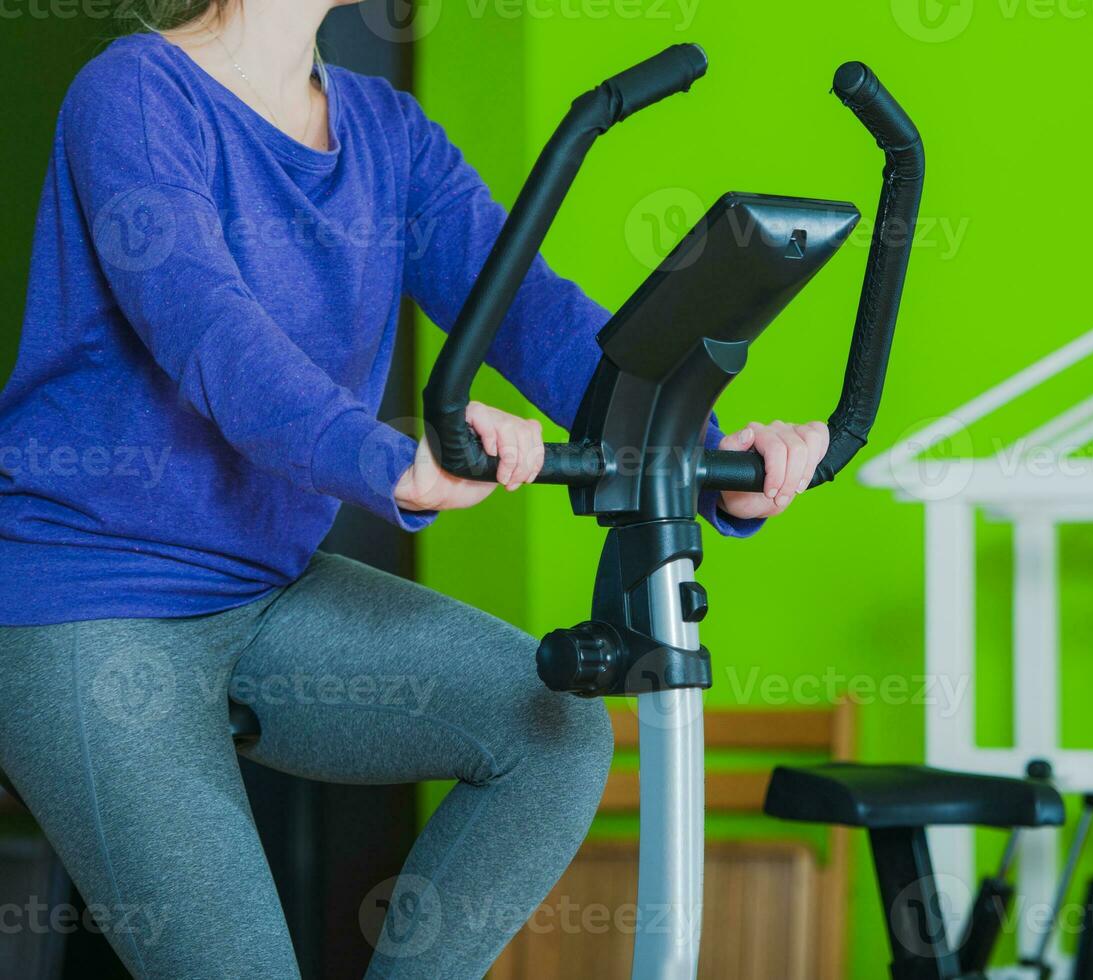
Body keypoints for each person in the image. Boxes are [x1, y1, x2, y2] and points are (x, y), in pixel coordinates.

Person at [0, 1, 831, 976]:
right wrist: (387, 455)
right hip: (88, 602)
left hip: (263, 587)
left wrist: (705, 455)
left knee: (551, 727)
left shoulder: (387, 135)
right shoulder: (135, 95)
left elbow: (533, 315)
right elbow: (210, 334)